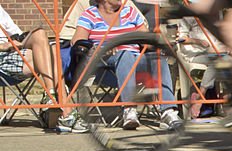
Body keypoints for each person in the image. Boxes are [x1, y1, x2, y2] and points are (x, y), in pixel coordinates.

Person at [72, 0, 183, 130]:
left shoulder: (129, 12)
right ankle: (129, 109)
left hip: (136, 61)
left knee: (158, 59)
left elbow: (146, 40)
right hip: (106, 64)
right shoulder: (90, 14)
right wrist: (98, 49)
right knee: (125, 55)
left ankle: (168, 111)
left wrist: (160, 42)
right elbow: (77, 41)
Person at [0, 3, 85, 131]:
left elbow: (16, 33)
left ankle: (51, 97)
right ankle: (66, 111)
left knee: (45, 40)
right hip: (3, 58)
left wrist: (16, 41)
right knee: (50, 56)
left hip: (14, 50)